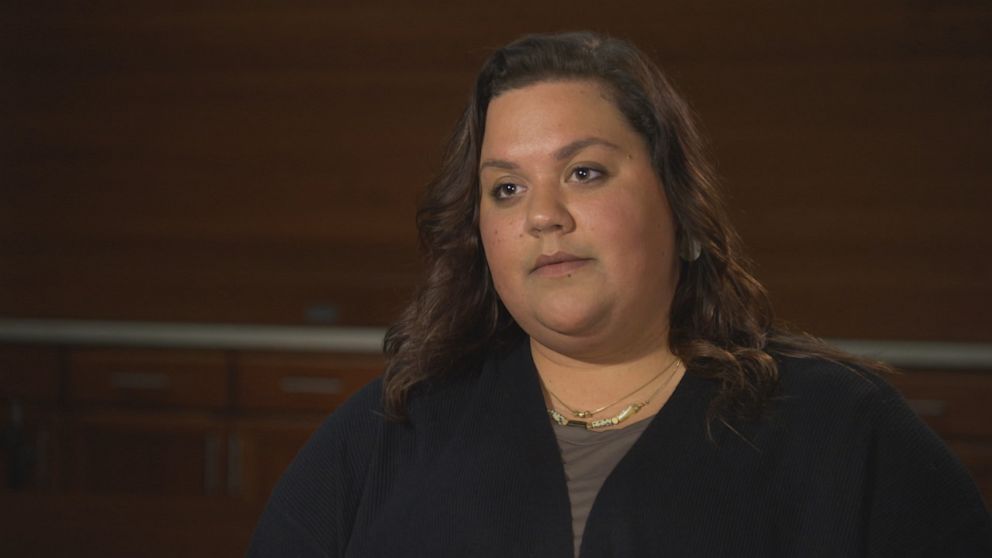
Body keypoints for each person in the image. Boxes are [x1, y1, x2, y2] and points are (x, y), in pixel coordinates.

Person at [248, 32, 992, 557]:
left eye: (585, 173)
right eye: (506, 188)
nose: (543, 215)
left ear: (679, 204)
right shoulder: (386, 433)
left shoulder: (844, 433)